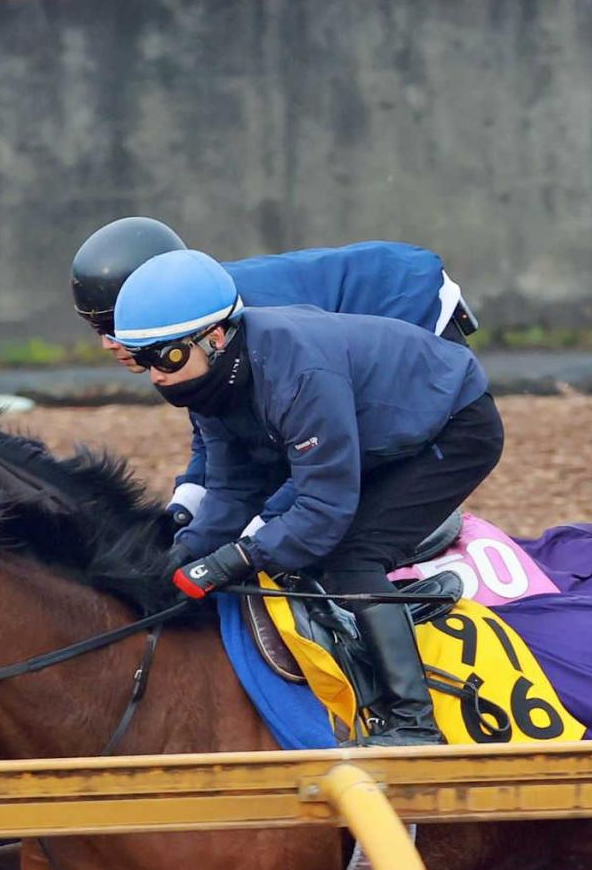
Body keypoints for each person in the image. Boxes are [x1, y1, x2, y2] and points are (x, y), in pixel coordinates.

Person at [113, 249, 504, 746]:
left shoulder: (296, 373)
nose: (156, 377)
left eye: (164, 357)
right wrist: (177, 560)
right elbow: (233, 491)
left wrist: (234, 559)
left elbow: (323, 508)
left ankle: (413, 722)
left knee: (351, 556)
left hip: (455, 427)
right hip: (383, 429)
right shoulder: (212, 386)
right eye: (140, 361)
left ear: (214, 338)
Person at [70, 217, 478, 530]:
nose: (109, 343)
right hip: (350, 325)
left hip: (403, 303)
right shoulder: (198, 314)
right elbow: (216, 426)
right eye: (98, 329)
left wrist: (251, 532)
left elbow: (303, 450)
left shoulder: (238, 320)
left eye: (115, 327)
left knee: (326, 491)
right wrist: (185, 507)